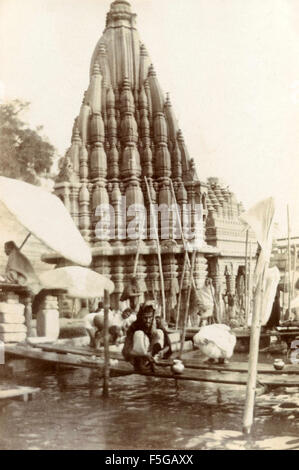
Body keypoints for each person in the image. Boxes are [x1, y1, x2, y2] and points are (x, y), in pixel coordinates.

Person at [122, 301, 172, 372]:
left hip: (152, 356)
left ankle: (153, 362)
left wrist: (162, 352)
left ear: (153, 317)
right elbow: (126, 350)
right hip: (139, 358)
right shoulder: (134, 326)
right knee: (139, 334)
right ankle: (142, 365)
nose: (148, 321)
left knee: (159, 332)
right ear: (141, 317)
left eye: (150, 317)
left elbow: (168, 345)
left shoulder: (157, 323)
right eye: (145, 318)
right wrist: (144, 354)